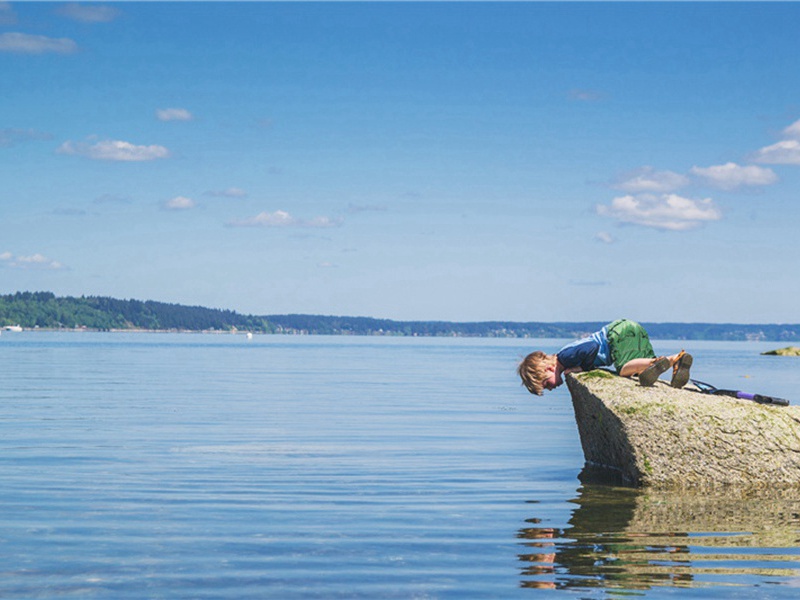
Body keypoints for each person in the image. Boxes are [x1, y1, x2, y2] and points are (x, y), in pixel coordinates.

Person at [517, 318, 692, 395]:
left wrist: (584, 368)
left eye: (546, 384)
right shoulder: (565, 356)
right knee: (639, 370)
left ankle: (663, 361)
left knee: (624, 370)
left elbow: (591, 347)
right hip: (629, 329)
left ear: (549, 368)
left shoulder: (565, 357)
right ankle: (676, 362)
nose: (550, 388)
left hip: (616, 336)